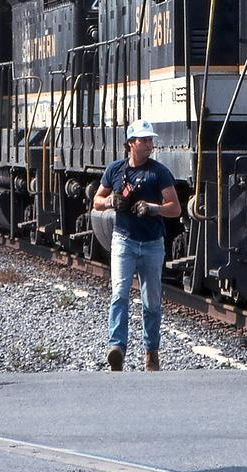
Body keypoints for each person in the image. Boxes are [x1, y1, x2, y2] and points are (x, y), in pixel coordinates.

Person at [93, 119, 180, 371]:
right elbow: (96, 201)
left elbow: (175, 208)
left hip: (152, 244)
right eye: (145, 140)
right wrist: (111, 201)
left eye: (151, 140)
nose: (150, 144)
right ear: (131, 143)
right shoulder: (115, 170)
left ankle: (151, 352)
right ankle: (116, 348)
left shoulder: (159, 172)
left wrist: (153, 208)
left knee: (151, 301)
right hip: (123, 240)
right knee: (119, 293)